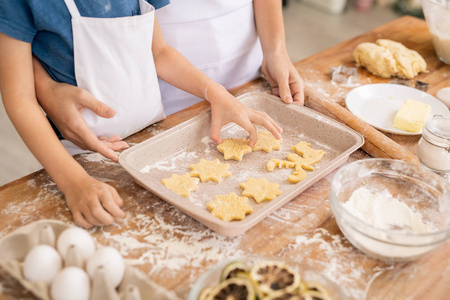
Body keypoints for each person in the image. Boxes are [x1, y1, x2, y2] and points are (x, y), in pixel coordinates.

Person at [0, 0, 282, 228]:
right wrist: (74, 182)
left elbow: (159, 52)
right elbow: (19, 99)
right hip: (84, 155)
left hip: (150, 137)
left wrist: (214, 92)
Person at [31, 0, 305, 162]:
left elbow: (159, 51)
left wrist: (275, 49)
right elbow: (16, 50)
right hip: (153, 94)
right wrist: (43, 87)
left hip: (240, 78)